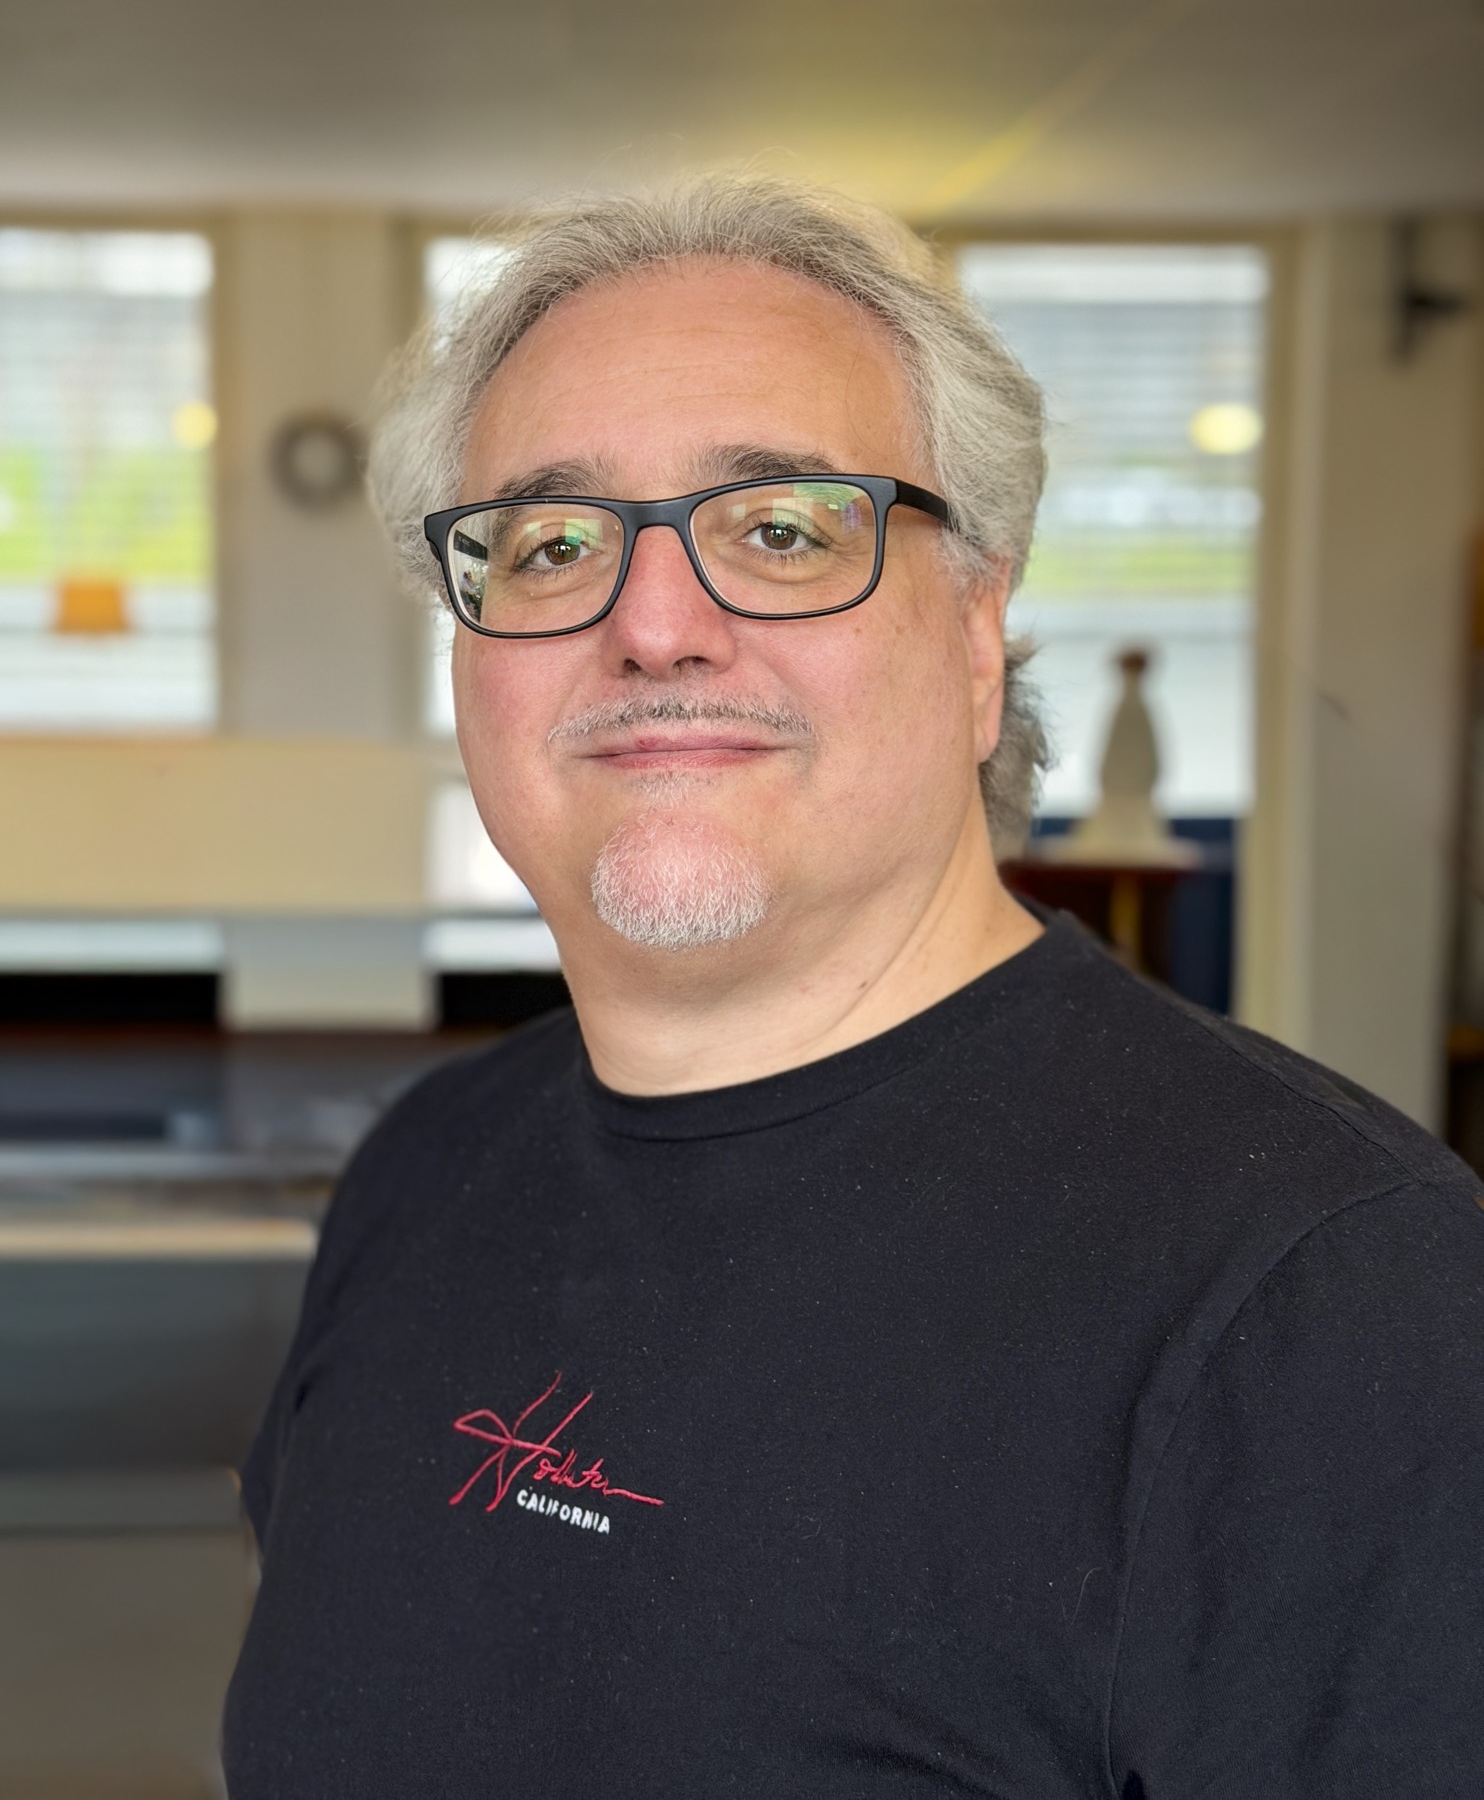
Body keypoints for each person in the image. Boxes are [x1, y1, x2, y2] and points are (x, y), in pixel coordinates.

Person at [224, 178, 1484, 1798]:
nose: (655, 625)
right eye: (552, 544)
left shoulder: (1341, 1304)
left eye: (781, 529)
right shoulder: (424, 1167)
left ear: (976, 635)